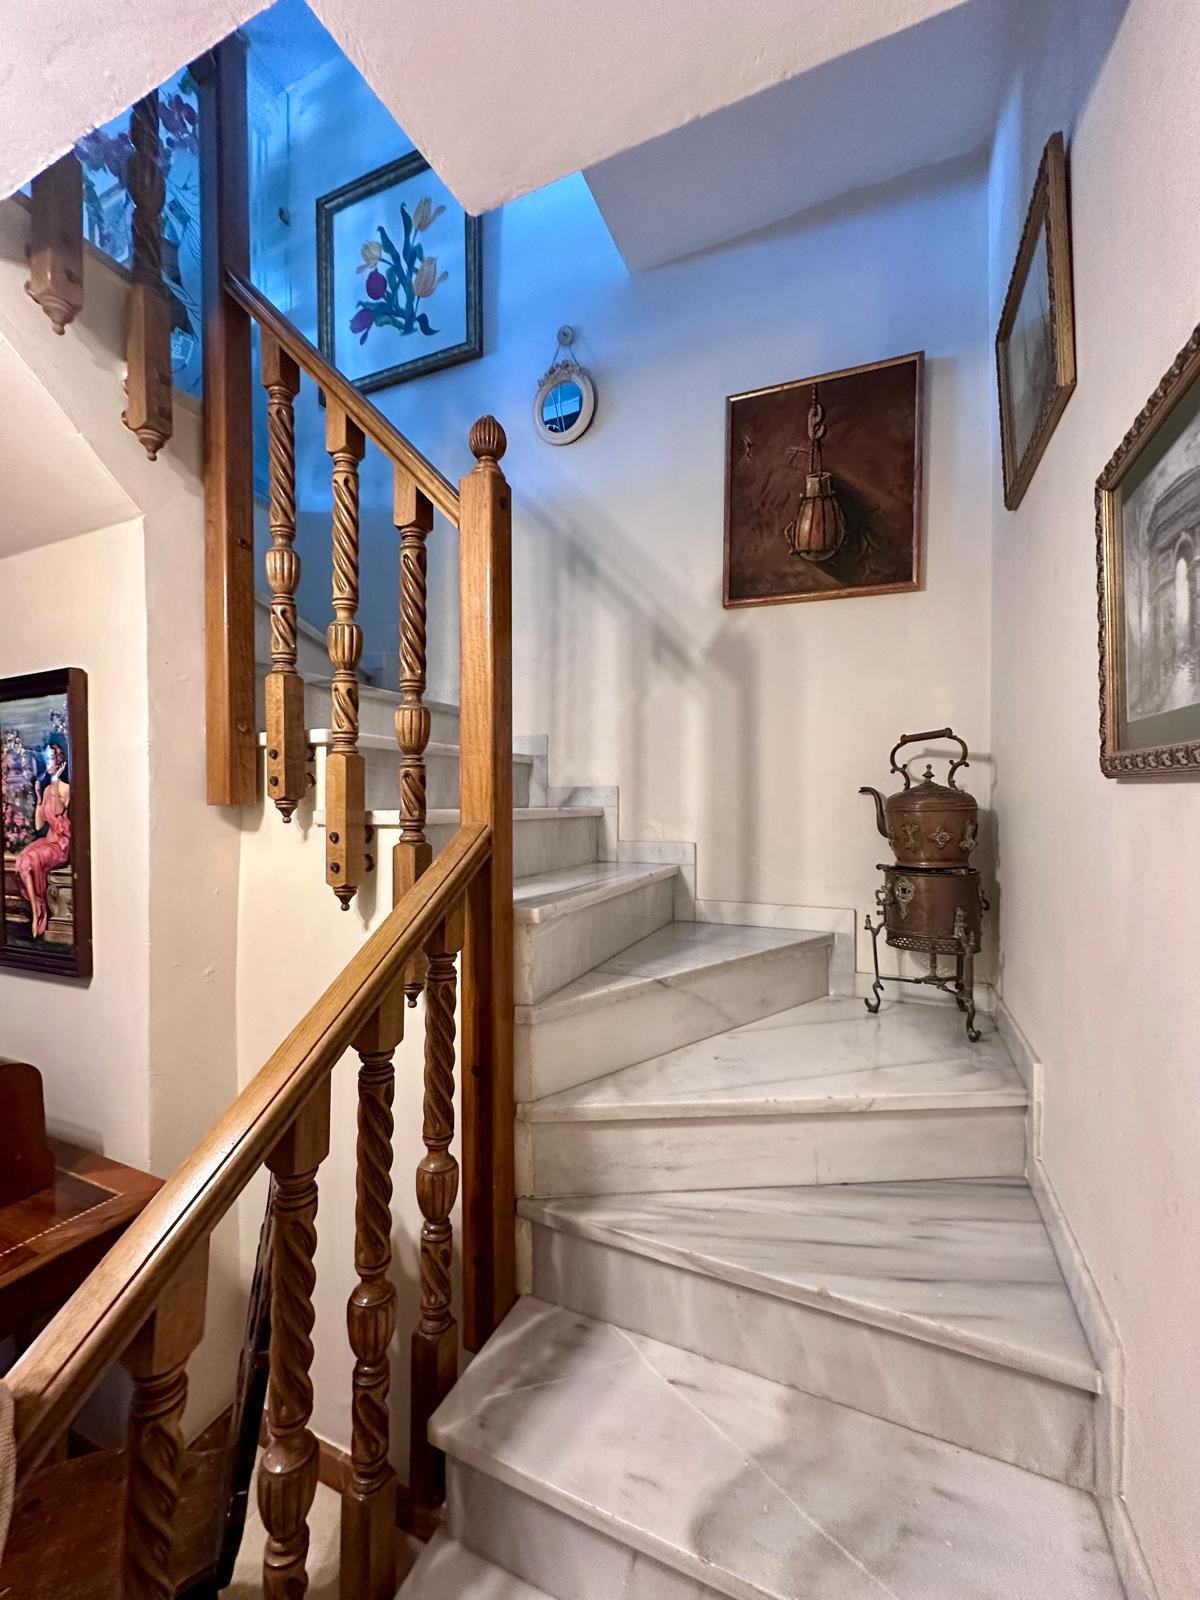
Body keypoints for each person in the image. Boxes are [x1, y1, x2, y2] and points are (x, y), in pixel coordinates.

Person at [15, 735, 70, 940]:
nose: (48, 763)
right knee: (22, 859)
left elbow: (56, 811)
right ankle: (36, 904)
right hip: (48, 840)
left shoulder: (65, 789)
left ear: (60, 763)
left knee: (31, 858)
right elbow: (39, 825)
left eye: (51, 759)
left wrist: (55, 781)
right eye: (46, 759)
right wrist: (39, 798)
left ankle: (39, 910)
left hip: (60, 845)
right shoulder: (47, 790)